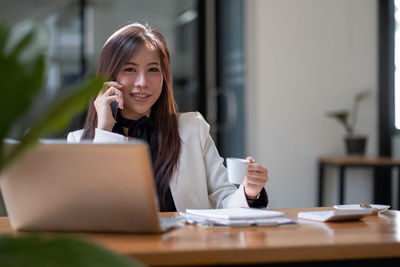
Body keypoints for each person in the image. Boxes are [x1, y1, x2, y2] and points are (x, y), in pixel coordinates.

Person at [67, 22, 269, 211]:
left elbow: (224, 201)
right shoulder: (79, 141)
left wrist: (249, 191)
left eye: (153, 69)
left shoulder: (192, 128)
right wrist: (104, 130)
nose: (142, 82)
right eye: (130, 69)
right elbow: (91, 211)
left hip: (185, 247)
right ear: (109, 77)